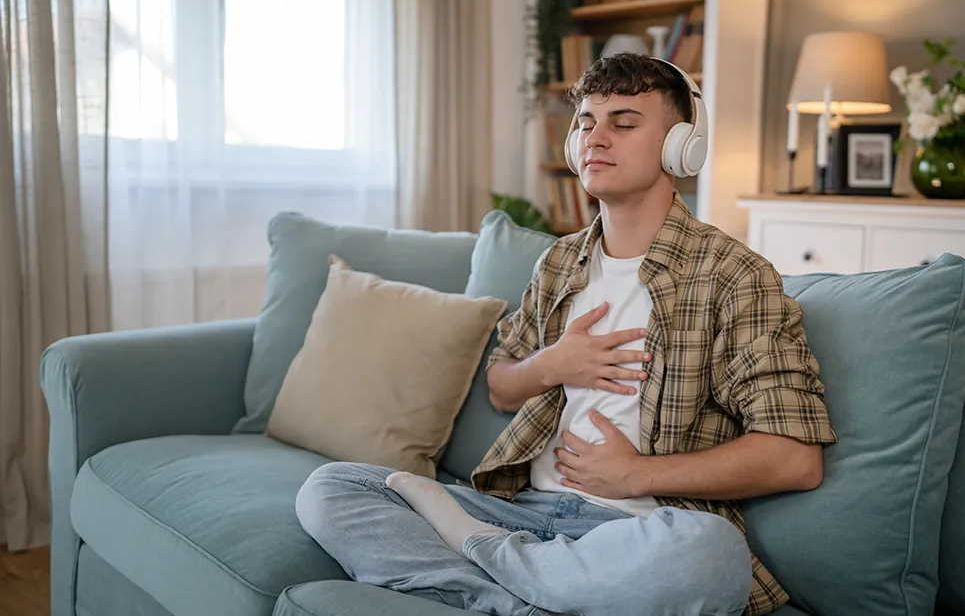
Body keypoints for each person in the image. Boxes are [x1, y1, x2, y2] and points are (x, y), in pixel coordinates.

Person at [295, 53, 837, 616]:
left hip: (640, 531)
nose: (595, 138)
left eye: (624, 123)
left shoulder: (734, 275)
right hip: (522, 511)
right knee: (332, 489)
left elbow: (795, 458)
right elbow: (503, 388)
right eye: (585, 122)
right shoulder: (558, 262)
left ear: (682, 146)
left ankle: (486, 565)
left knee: (712, 553)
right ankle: (525, 588)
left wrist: (635, 475)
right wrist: (555, 364)